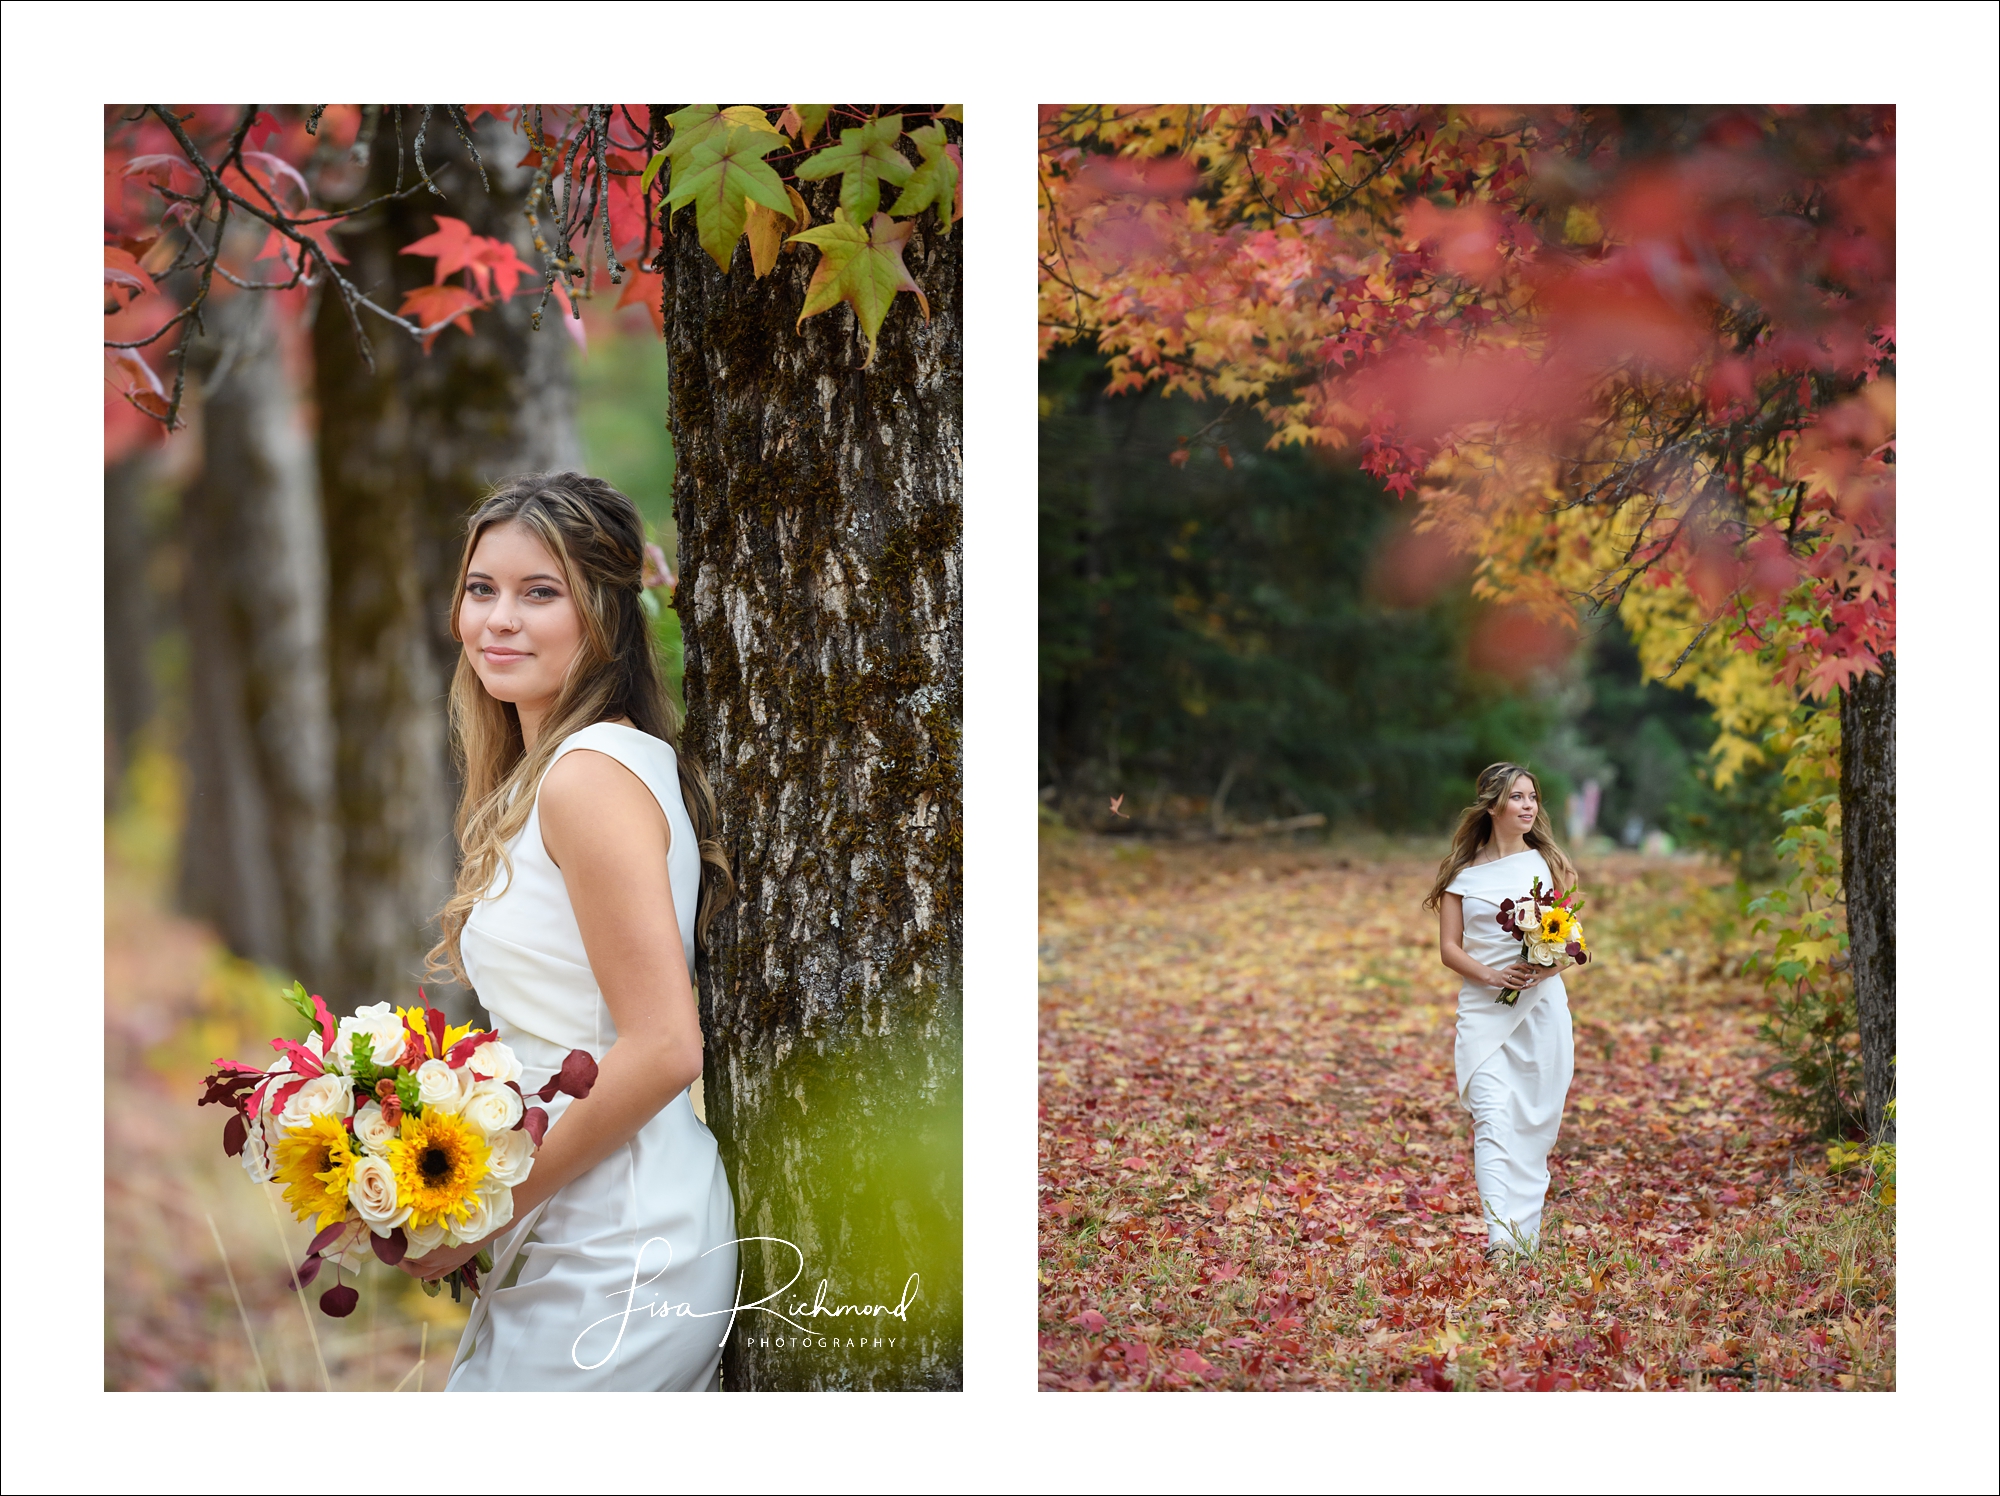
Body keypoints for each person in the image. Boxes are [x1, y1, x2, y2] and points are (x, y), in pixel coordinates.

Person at [400, 472, 739, 1390]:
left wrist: (490, 1206)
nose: (497, 620)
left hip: (622, 1246)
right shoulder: (546, 776)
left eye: (538, 593)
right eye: (482, 589)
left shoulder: (588, 778)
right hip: (570, 1221)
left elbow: (667, 1044)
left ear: (603, 616)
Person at [1425, 762, 1582, 1259]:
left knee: (1533, 1127)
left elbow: (1572, 941)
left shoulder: (1548, 864)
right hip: (1484, 1013)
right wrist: (1493, 977)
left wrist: (1543, 966)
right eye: (1518, 797)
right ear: (1493, 805)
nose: (1529, 805)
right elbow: (1450, 949)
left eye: (1533, 796)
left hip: (1540, 1013)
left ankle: (1524, 1240)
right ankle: (1499, 1240)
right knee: (1493, 1120)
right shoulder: (1462, 875)